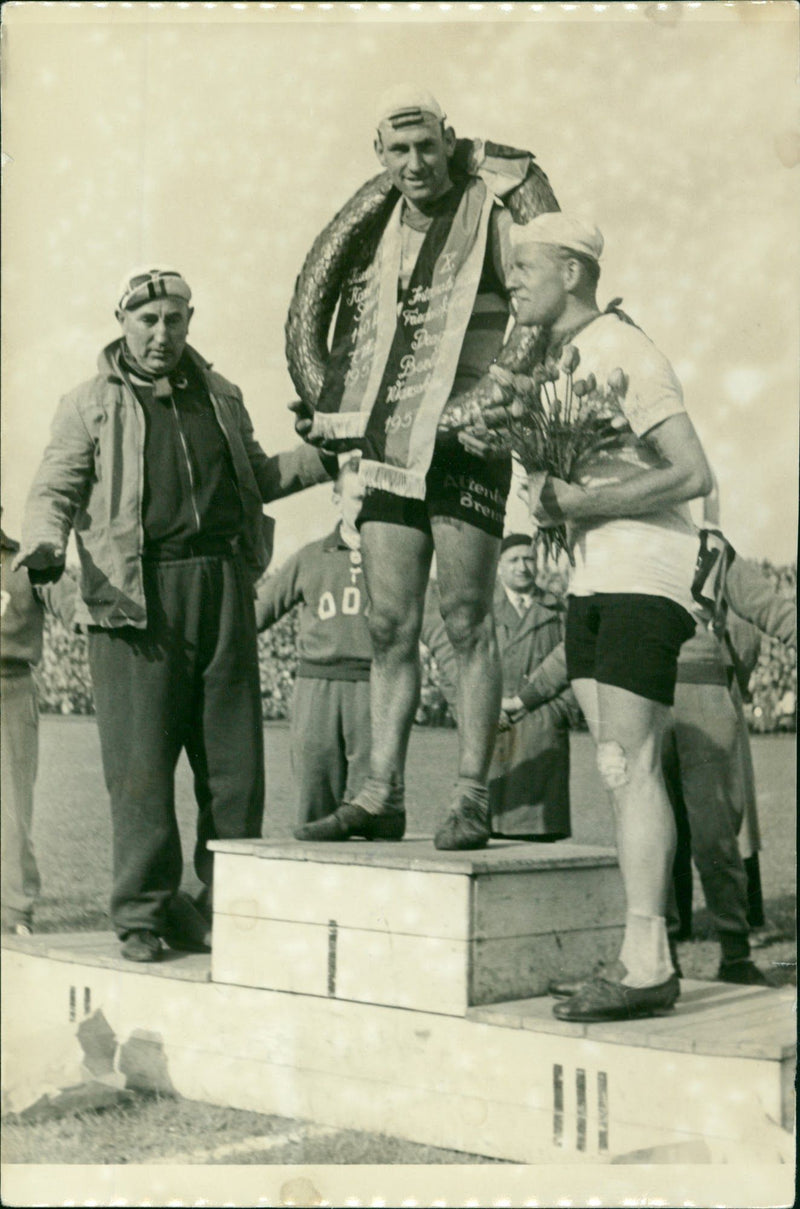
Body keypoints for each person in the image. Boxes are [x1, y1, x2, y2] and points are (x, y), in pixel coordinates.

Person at [16, 266, 335, 962]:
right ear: (123, 322)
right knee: (140, 771)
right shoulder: (88, 403)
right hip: (136, 601)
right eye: (148, 321)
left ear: (191, 320)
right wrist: (42, 542)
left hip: (221, 584)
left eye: (176, 319)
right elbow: (56, 488)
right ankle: (139, 914)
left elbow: (258, 478)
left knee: (236, 770)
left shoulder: (221, 394)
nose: (163, 334)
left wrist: (323, 457)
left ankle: (223, 904)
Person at [294, 86, 560, 849]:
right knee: (387, 624)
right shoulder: (373, 225)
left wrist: (495, 396)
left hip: (468, 439)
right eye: (399, 151)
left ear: (451, 142)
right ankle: (381, 791)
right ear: (380, 157)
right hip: (388, 445)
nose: (415, 164)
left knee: (468, 617)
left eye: (428, 148)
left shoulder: (490, 211)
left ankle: (472, 794)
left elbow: (534, 305)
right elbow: (344, 334)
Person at [501, 212, 713, 1022]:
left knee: (634, 763)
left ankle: (647, 960)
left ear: (574, 273)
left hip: (640, 575)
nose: (513, 280)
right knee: (619, 770)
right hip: (594, 578)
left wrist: (582, 502)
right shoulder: (562, 360)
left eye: (527, 267)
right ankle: (640, 952)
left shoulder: (625, 349)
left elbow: (692, 471)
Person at [255, 458, 372, 825]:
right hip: (316, 687)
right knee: (314, 800)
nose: (365, 507)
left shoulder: (397, 560)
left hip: (374, 688)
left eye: (373, 498)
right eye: (357, 498)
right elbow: (255, 612)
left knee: (372, 803)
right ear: (336, 499)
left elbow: (438, 628)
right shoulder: (309, 558)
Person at [1, 513, 76, 935]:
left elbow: (73, 604)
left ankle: (14, 910)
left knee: (11, 809)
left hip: (9, 687)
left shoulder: (26, 564)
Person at [487, 532, 577, 840]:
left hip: (542, 730)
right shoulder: (483, 609)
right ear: (498, 566)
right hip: (492, 728)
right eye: (513, 560)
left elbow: (577, 661)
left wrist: (558, 712)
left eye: (528, 558)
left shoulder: (558, 608)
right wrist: (479, 712)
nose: (522, 566)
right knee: (492, 831)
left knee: (539, 834)